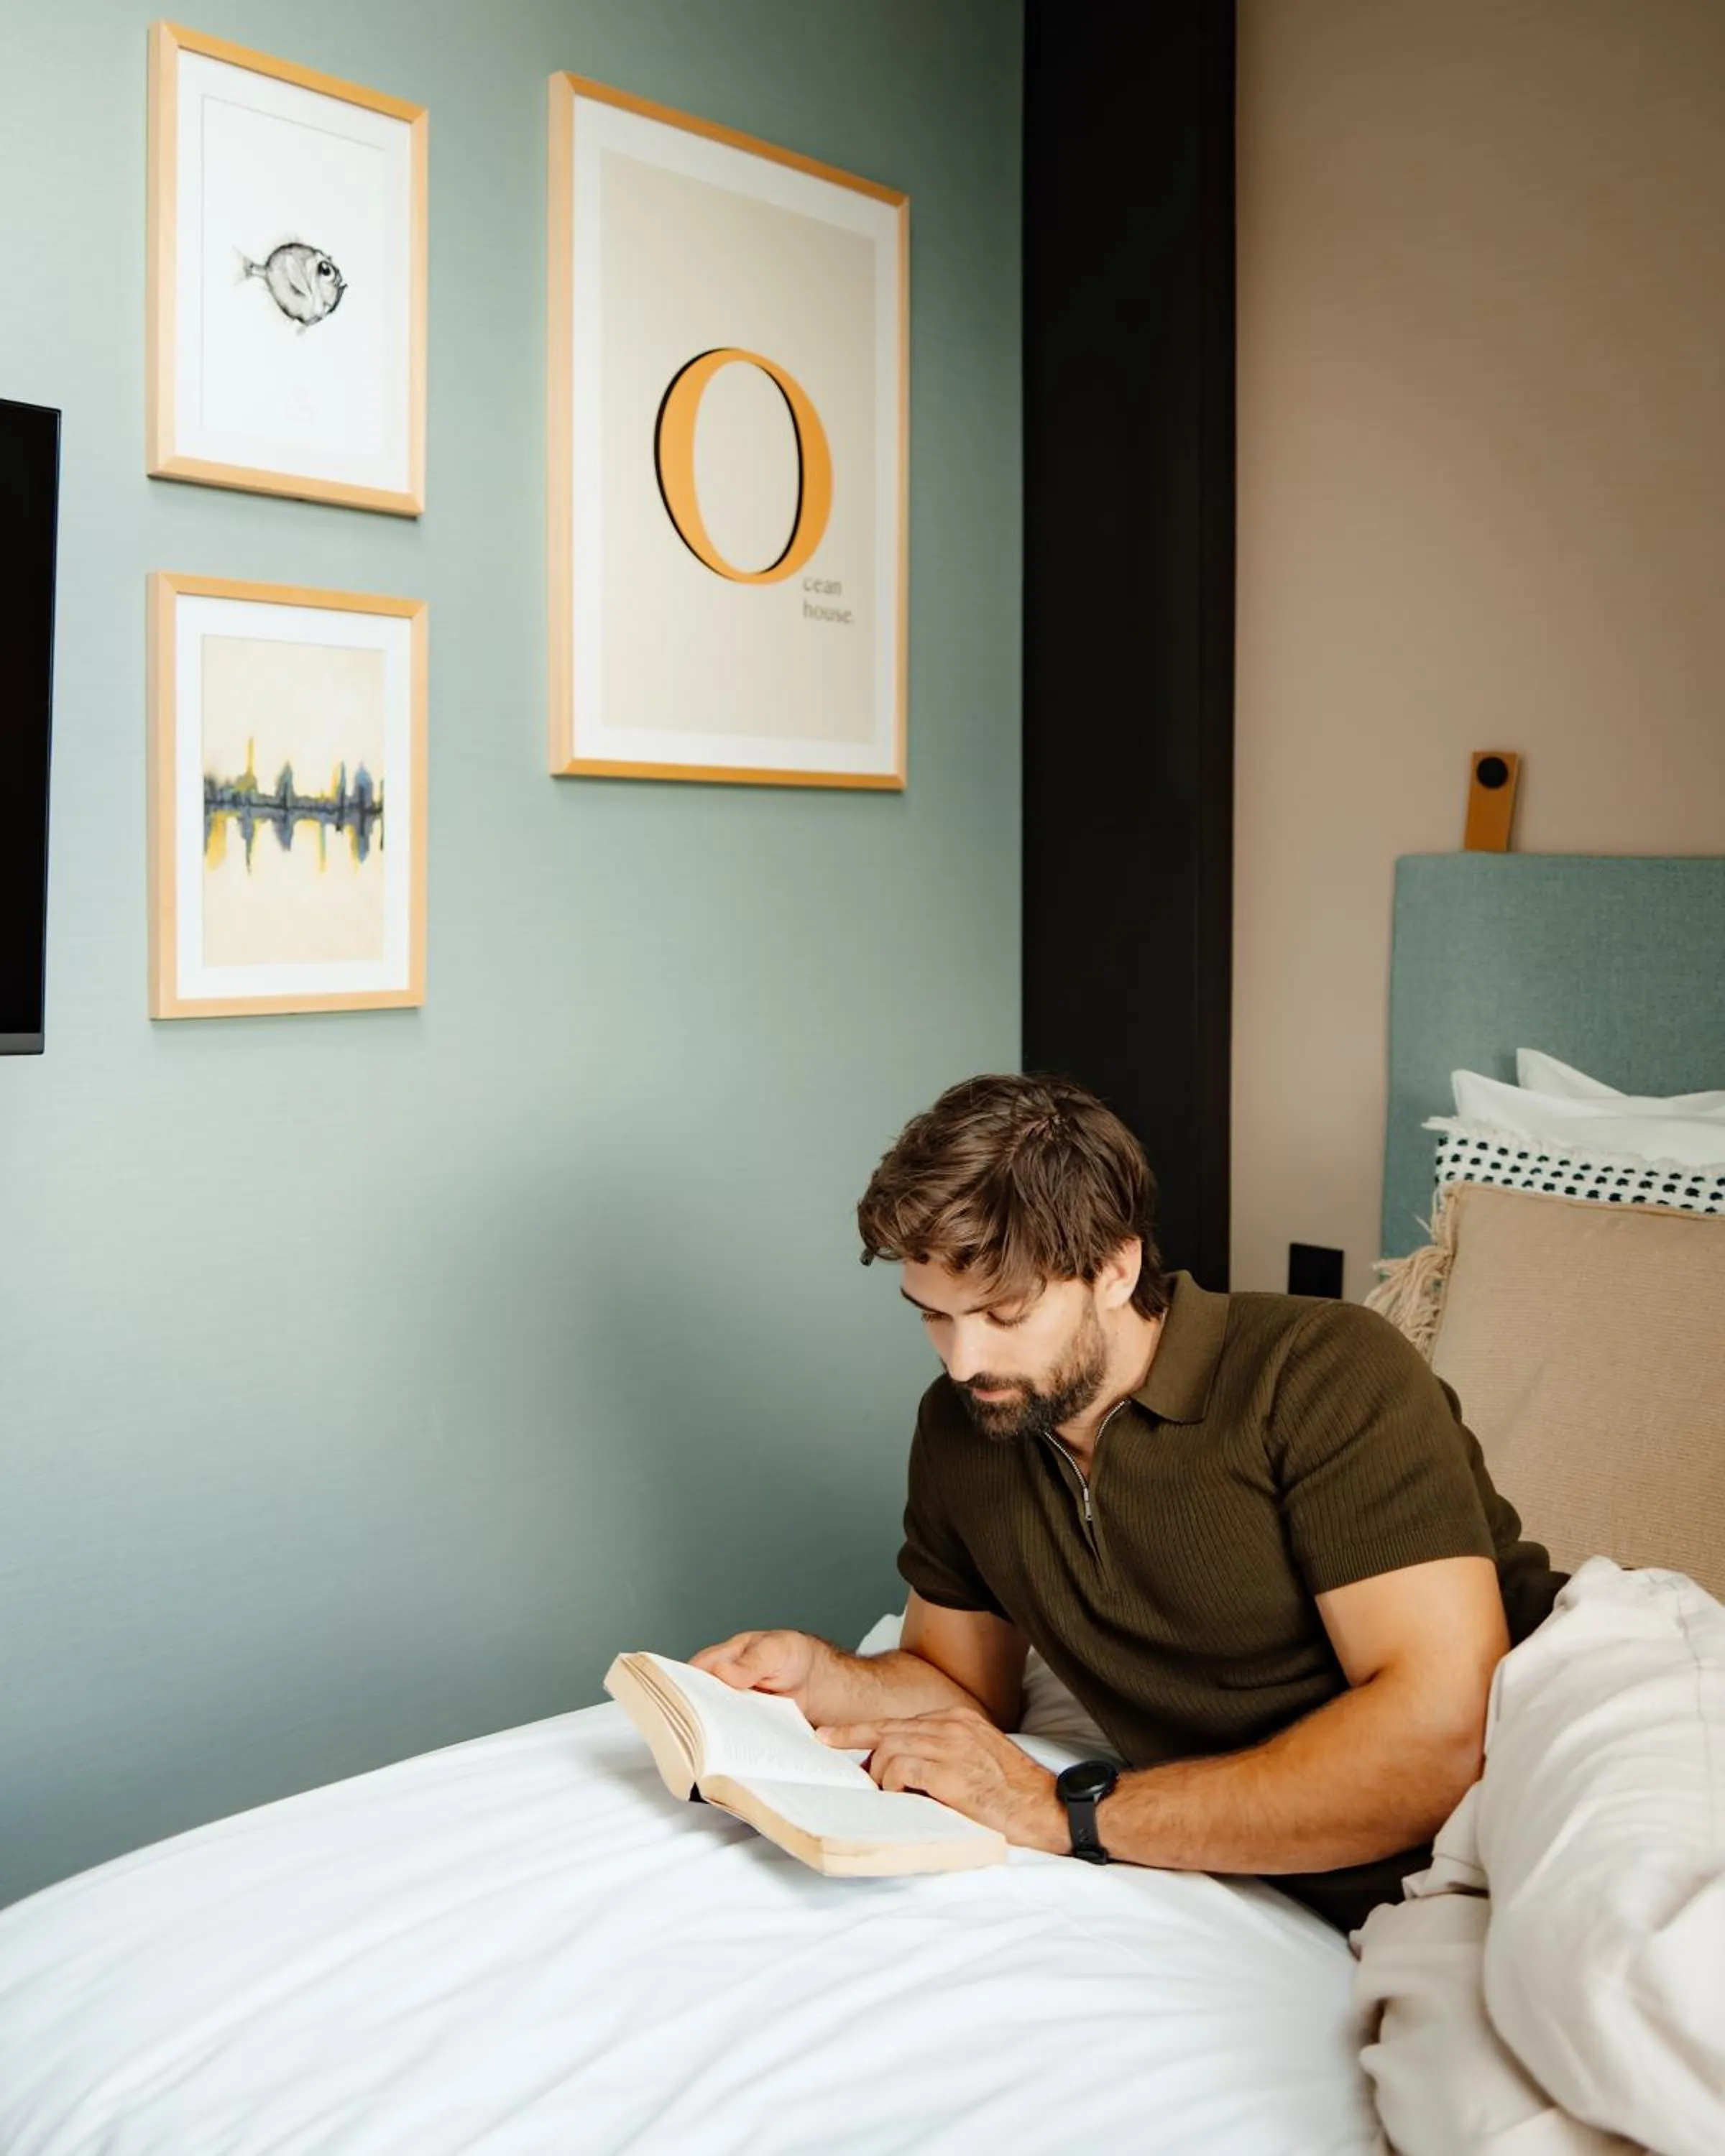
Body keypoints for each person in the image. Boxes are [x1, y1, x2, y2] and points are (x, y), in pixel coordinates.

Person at [694, 1073, 1564, 1932]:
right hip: (1286, 1865)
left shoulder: (1323, 1371)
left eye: (1002, 1315)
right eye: (933, 1316)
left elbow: (1441, 1740)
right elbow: (964, 1685)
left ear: (1116, 1267)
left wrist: (1069, 1813)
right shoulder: (967, 1427)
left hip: (1537, 1776)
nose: (961, 1363)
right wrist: (822, 1676)